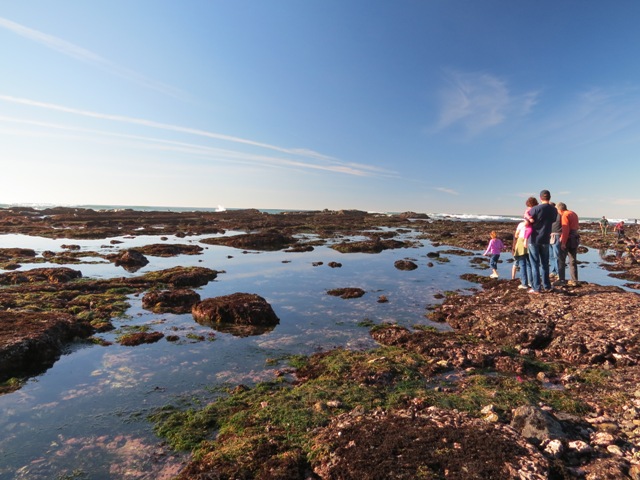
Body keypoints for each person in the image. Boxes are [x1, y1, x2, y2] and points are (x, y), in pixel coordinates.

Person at [526, 189, 558, 294]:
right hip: (545, 239)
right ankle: (547, 286)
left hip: (534, 239)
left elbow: (527, 220)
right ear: (549, 197)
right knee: (545, 263)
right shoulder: (554, 210)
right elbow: (553, 220)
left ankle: (536, 288)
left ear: (540, 198)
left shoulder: (535, 209)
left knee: (535, 264)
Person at [555, 202, 580, 286]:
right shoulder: (574, 213)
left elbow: (565, 229)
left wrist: (563, 243)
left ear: (560, 210)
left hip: (568, 238)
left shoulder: (565, 215)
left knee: (561, 259)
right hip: (575, 238)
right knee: (573, 260)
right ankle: (575, 280)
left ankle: (561, 280)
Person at [513, 220, 533, 289]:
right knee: (529, 264)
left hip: (521, 242)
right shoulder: (533, 225)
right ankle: (531, 282)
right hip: (530, 242)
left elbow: (516, 235)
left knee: (522, 264)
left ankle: (524, 283)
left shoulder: (521, 224)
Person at [548, 202, 561, 279]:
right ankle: (553, 271)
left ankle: (559, 273)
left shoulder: (559, 215)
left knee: (556, 255)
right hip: (548, 236)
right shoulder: (547, 215)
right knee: (551, 255)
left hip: (556, 235)